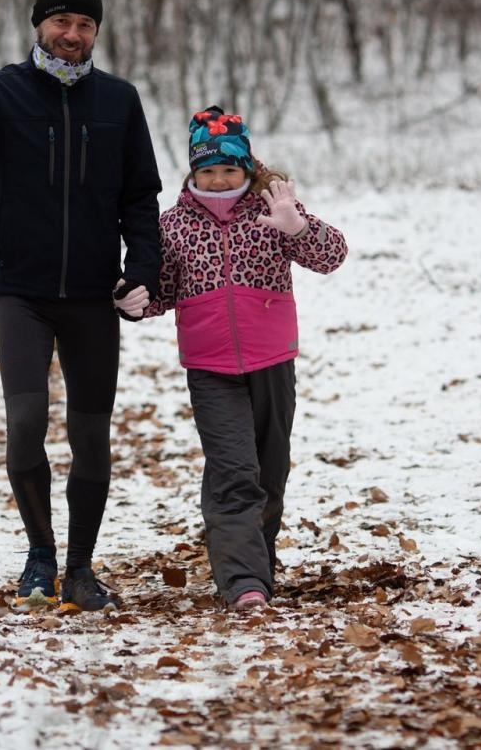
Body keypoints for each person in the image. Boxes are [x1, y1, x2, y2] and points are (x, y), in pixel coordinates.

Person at [0, 0, 161, 611]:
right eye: (61, 22)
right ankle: (41, 553)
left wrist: (143, 267)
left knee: (91, 433)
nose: (72, 35)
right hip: (20, 290)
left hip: (92, 296)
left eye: (85, 25)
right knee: (25, 424)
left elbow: (141, 195)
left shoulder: (119, 100)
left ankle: (81, 568)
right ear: (38, 26)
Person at [121, 107, 347, 612]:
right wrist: (133, 301)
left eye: (228, 169)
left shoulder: (272, 209)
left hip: (272, 360)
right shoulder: (173, 225)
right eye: (207, 170)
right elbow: (161, 292)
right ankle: (243, 581)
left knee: (269, 473)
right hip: (210, 367)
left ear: (246, 168)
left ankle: (258, 565)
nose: (218, 179)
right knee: (232, 471)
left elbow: (331, 256)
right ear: (192, 171)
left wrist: (297, 228)